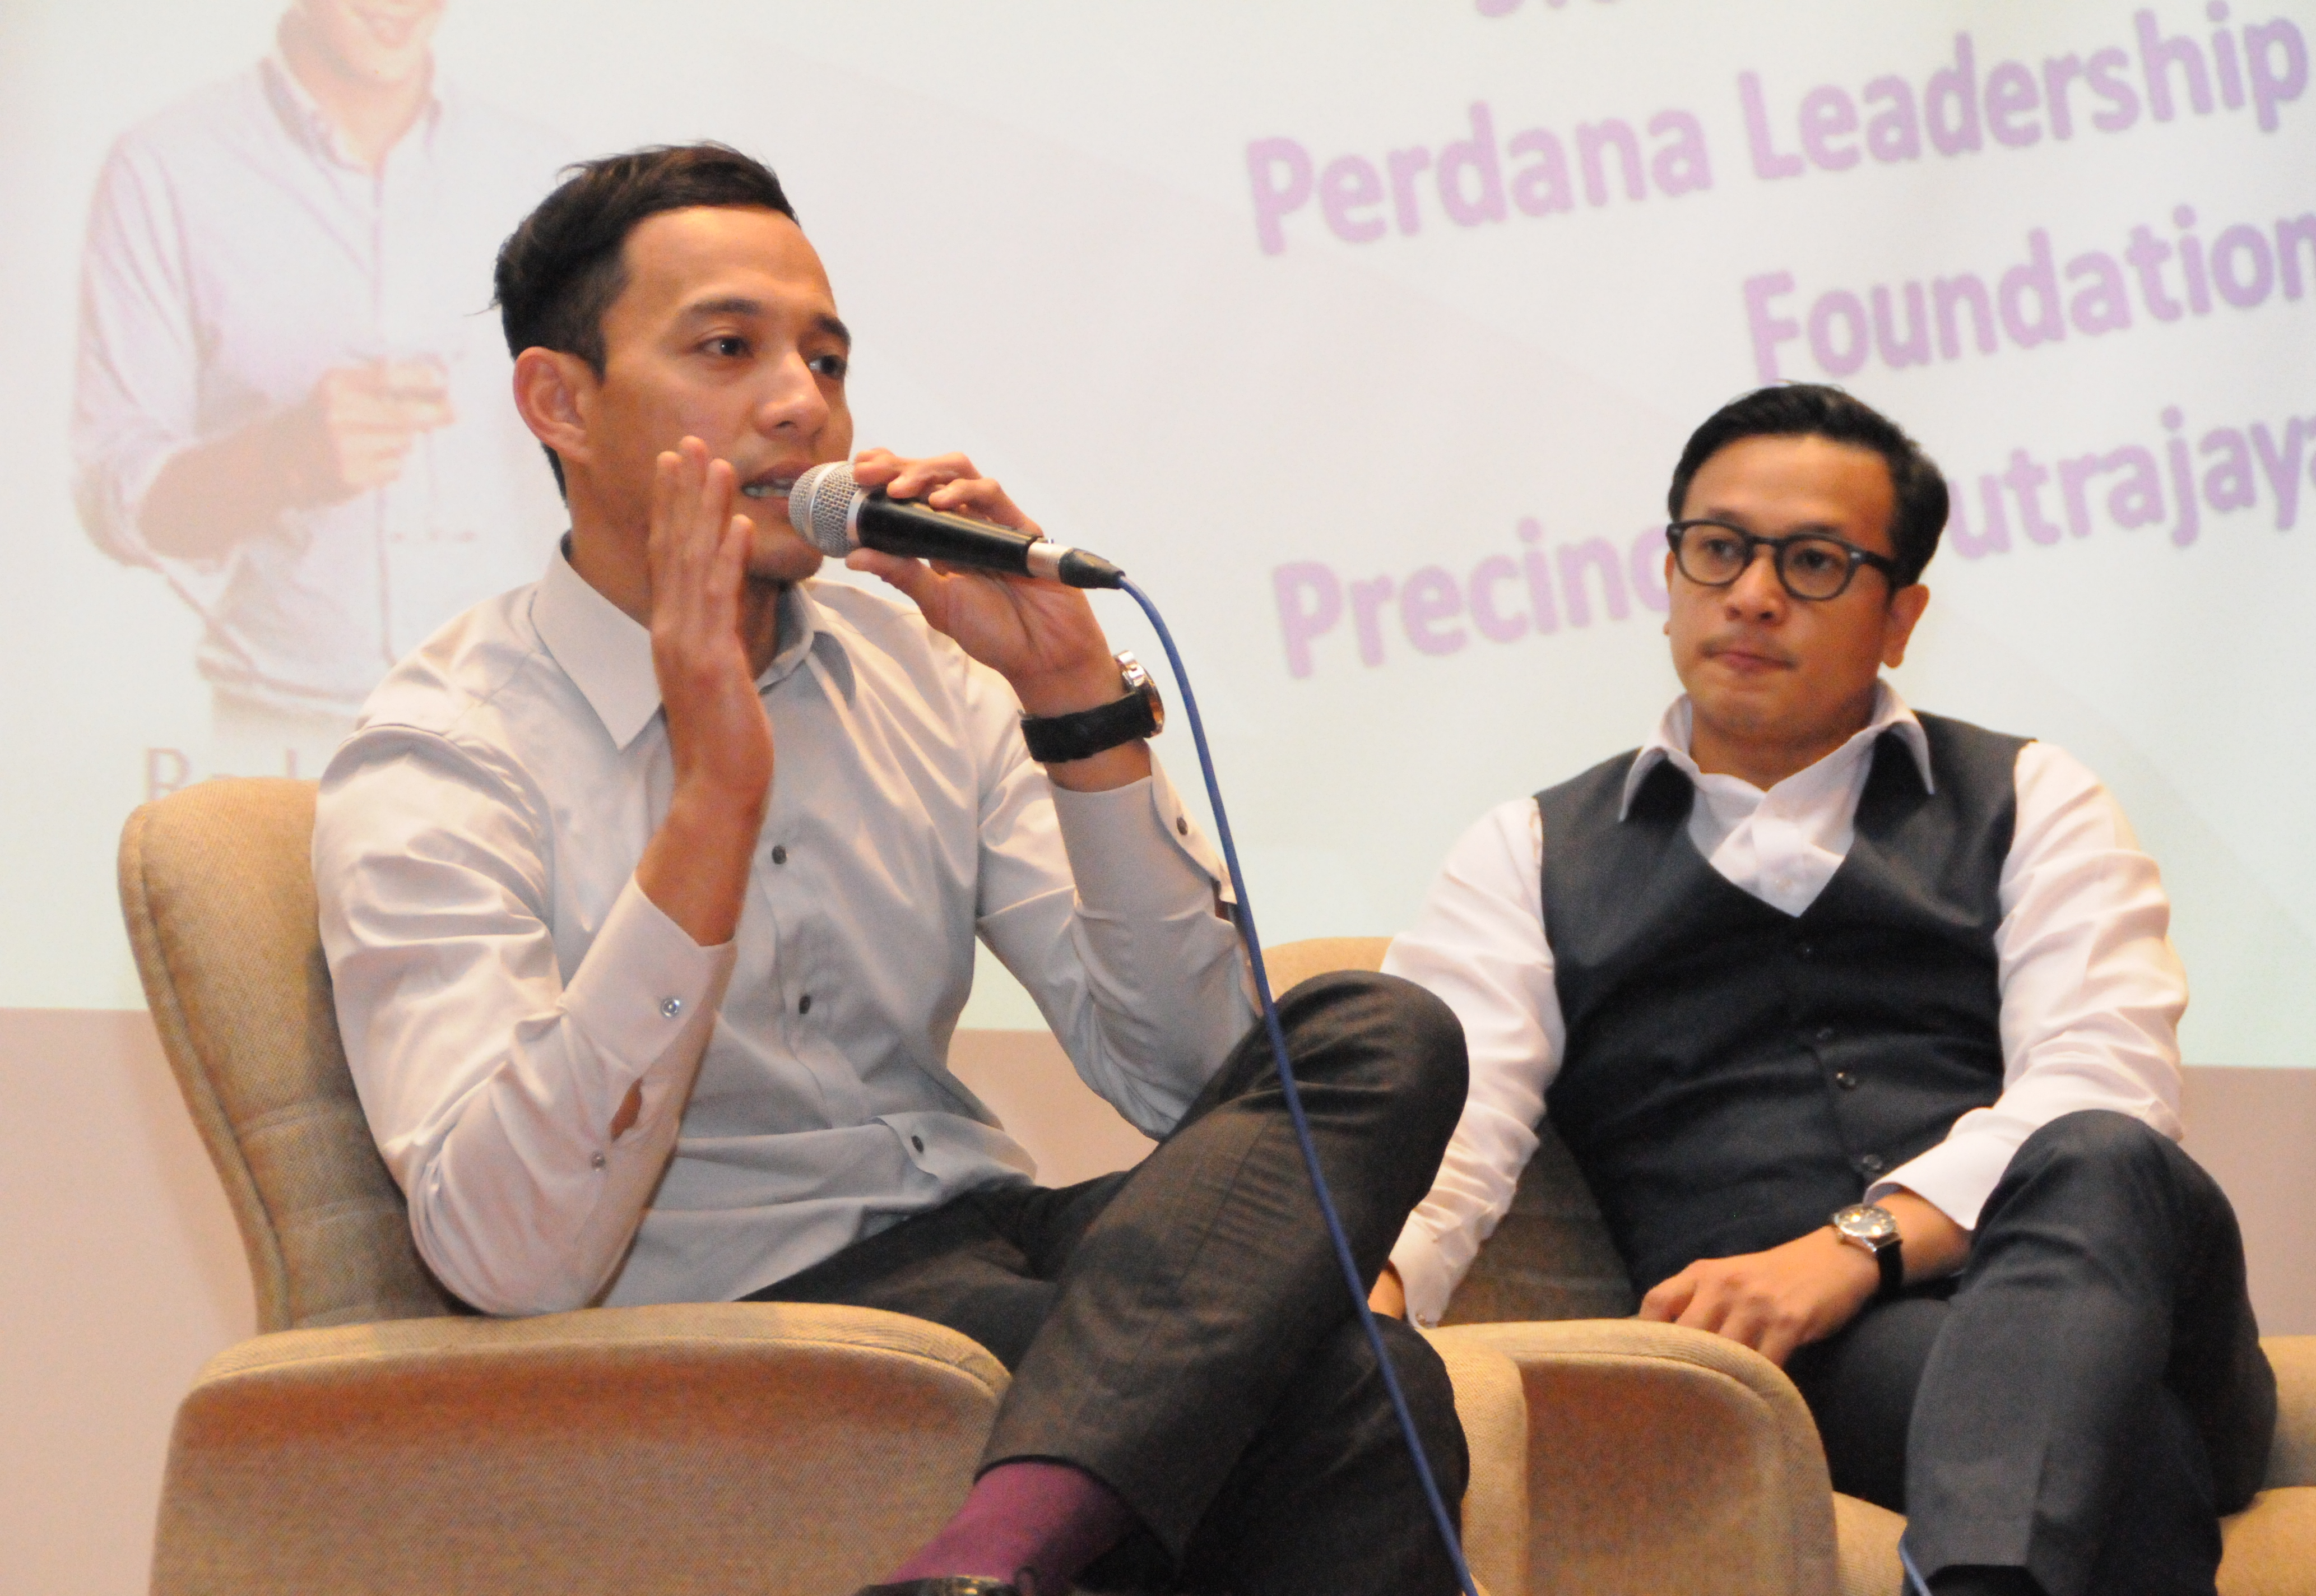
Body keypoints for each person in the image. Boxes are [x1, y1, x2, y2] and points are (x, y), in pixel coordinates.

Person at [313, 142, 1470, 1596]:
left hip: (989, 1231)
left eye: (827, 358)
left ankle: (982, 1565)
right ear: (559, 401)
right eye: (727, 349)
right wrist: (709, 806)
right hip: (737, 1294)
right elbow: (506, 1254)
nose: (803, 405)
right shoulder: (445, 747)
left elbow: (1189, 1081)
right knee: (1361, 1387)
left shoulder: (915, 663)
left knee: (1374, 1031)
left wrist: (1075, 705)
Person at [1376, 384, 2276, 1596]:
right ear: (1669, 574)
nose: (1752, 593)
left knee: (2102, 1148)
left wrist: (1851, 1247)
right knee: (2130, 1455)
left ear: (1900, 617)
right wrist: (1367, 1300)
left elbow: (2103, 1074)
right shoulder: (1527, 853)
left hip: (2127, 1305)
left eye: (1812, 563)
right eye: (1718, 548)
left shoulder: (2033, 796)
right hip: (1826, 1369)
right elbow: (1445, 1131)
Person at [73, 0, 569, 777]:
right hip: (280, 741)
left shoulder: (541, 172)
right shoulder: (164, 167)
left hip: (521, 725)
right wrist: (283, 463)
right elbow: (117, 498)